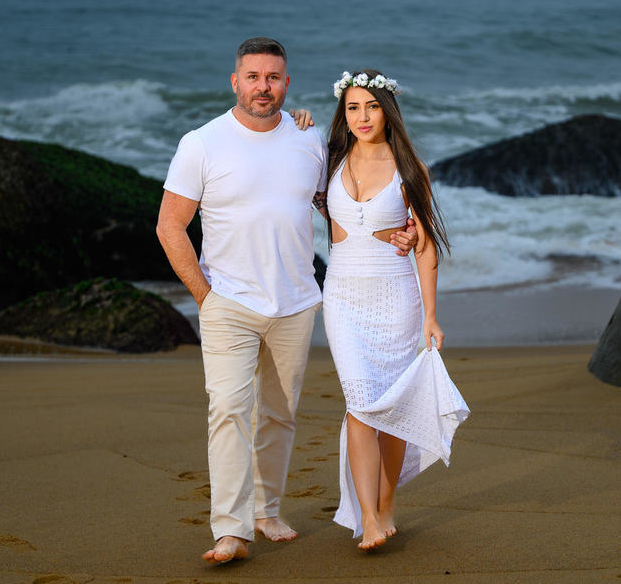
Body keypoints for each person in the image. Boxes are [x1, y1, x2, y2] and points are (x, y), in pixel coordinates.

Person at [155, 39, 414, 564]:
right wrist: (205, 297)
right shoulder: (201, 143)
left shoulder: (311, 140)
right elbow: (169, 226)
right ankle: (231, 529)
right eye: (252, 76)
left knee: (279, 413)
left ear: (287, 84)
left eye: (273, 77)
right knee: (228, 408)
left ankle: (267, 509)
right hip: (227, 301)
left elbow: (342, 205)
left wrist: (399, 236)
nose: (262, 86)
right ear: (235, 82)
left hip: (296, 301)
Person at [322, 69, 470, 551]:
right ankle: (367, 517)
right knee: (361, 404)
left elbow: (425, 248)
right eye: (353, 108)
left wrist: (431, 315)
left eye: (372, 106)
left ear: (388, 111)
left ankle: (385, 507)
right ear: (343, 115)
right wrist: (298, 120)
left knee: (396, 407)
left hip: (398, 300)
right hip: (343, 298)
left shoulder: (411, 171)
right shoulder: (328, 161)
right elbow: (283, 159)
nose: (362, 116)